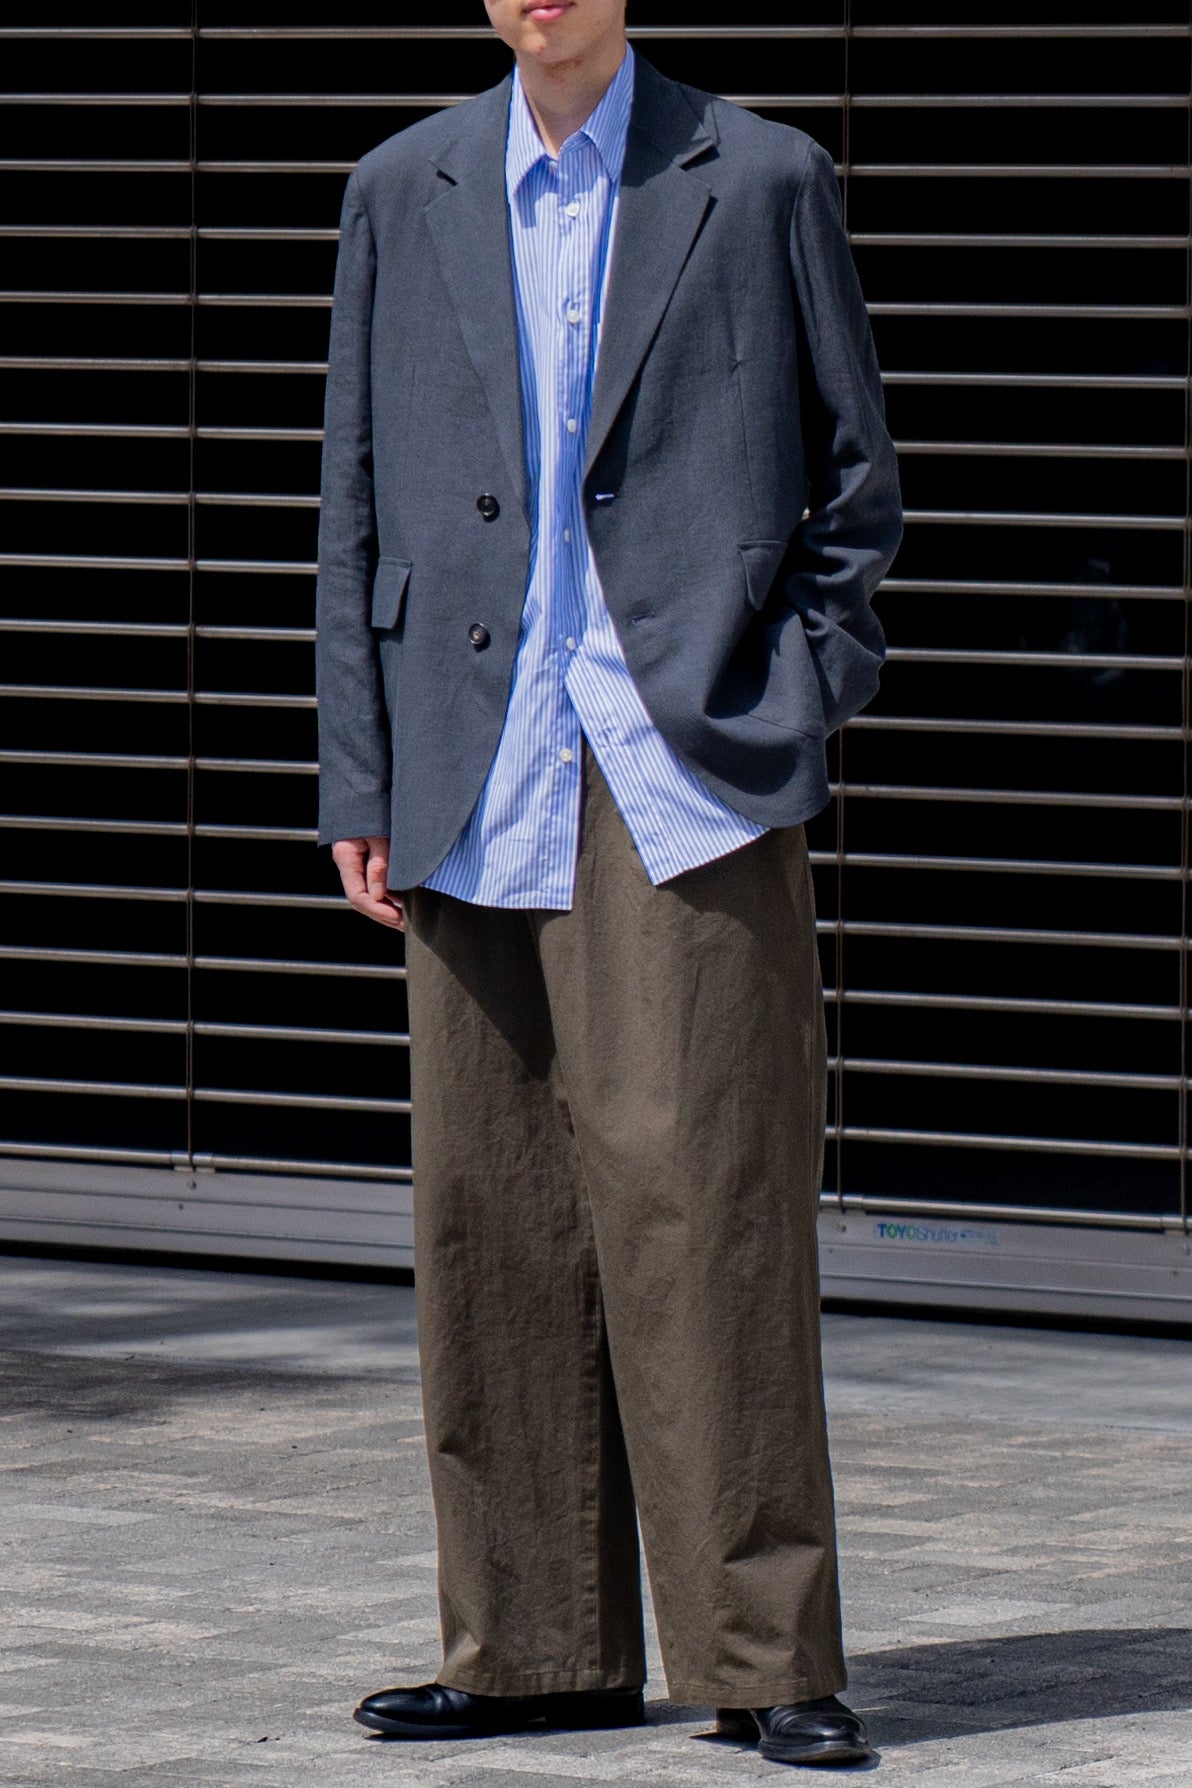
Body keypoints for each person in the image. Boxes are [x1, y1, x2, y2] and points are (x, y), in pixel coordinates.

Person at [316, 0, 901, 1769]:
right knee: (487, 1217)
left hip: (682, 773)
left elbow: (855, 483)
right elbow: (352, 498)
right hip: (469, 761)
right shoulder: (402, 183)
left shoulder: (761, 174)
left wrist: (789, 688)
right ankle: (529, 1651)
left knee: (709, 1213)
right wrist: (362, 773)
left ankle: (765, 1659)